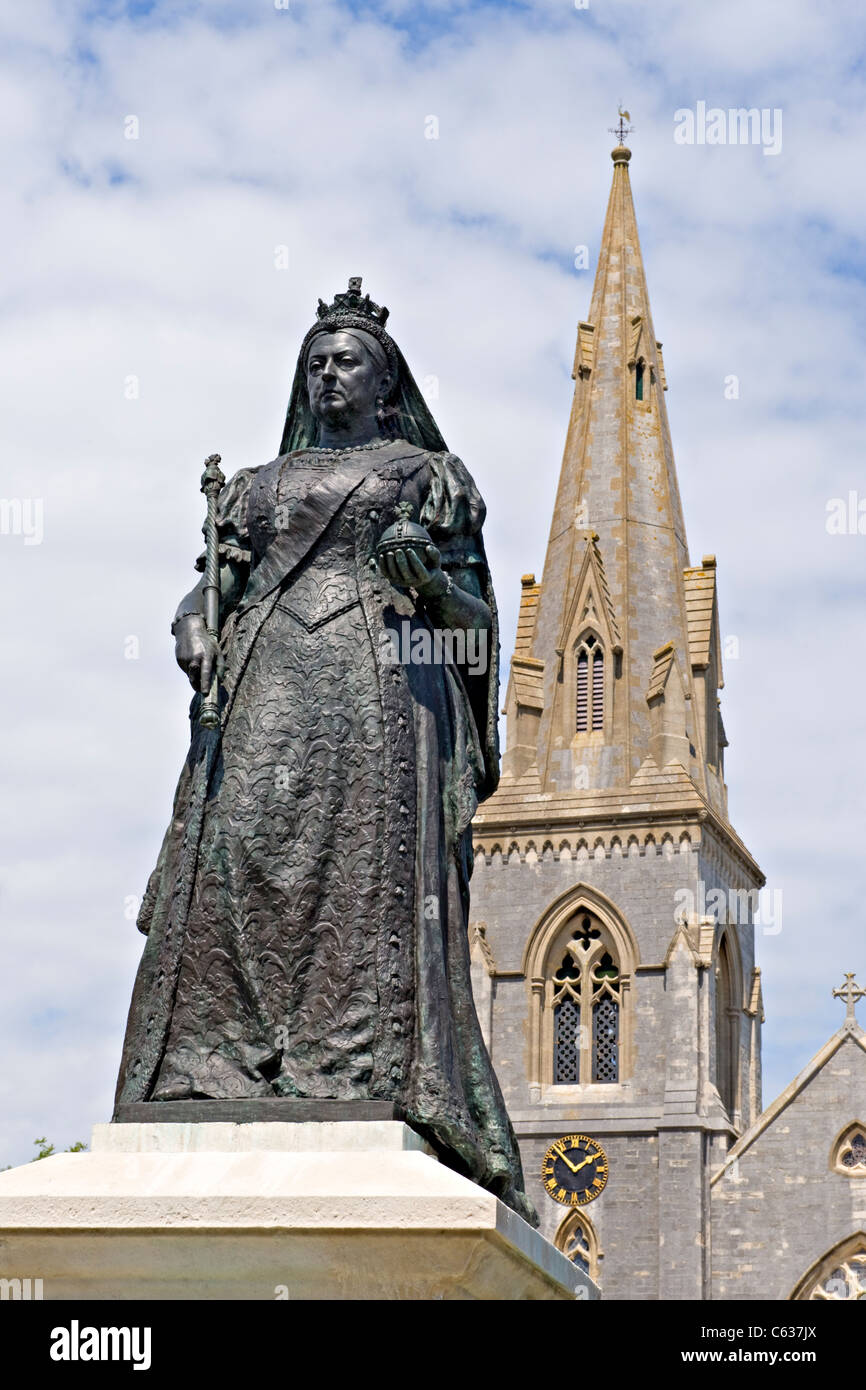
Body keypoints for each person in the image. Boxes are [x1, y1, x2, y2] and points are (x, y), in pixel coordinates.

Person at [115, 277, 535, 1223]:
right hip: (268, 679)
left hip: (378, 691)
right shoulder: (252, 490)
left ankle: (360, 1065)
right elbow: (212, 590)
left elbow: (472, 631)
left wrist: (430, 587)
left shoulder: (431, 477)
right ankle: (208, 1062)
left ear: (386, 384)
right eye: (316, 361)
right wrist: (190, 626)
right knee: (237, 858)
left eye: (348, 361)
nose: (328, 373)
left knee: (363, 880)